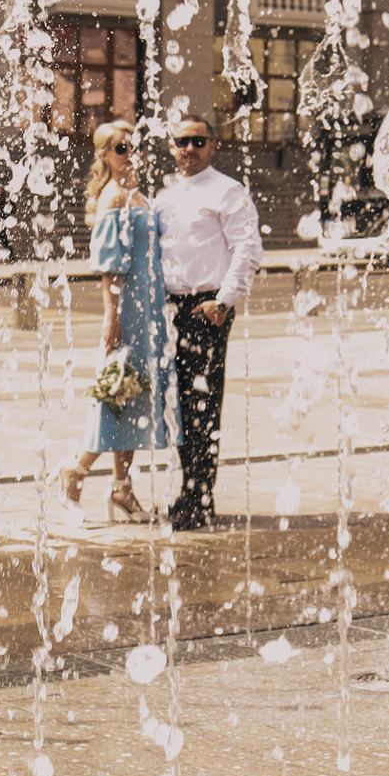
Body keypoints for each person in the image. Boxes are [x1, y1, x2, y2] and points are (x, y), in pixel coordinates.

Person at [152, 110, 262, 531]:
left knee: (202, 403)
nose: (190, 149)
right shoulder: (165, 196)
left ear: (213, 146)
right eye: (182, 142)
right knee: (179, 405)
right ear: (171, 147)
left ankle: (199, 497)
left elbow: (248, 249)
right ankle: (189, 491)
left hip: (207, 309)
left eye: (198, 141)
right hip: (173, 309)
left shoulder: (227, 191)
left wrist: (223, 301)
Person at [59, 121, 168, 523]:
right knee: (116, 394)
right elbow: (109, 266)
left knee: (134, 396)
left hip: (149, 307)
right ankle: (76, 470)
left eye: (134, 146)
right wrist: (111, 316)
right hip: (128, 311)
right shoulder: (114, 197)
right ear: (105, 154)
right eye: (121, 148)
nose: (130, 153)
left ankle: (122, 488)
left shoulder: (137, 194)